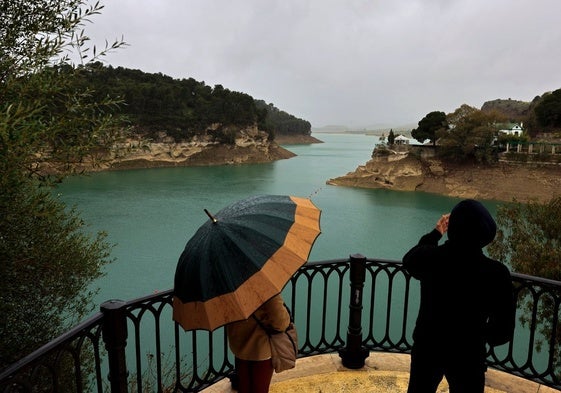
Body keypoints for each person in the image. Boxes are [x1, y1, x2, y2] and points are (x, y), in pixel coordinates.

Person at [402, 199, 515, 393]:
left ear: (452, 229)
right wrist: (479, 333)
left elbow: (411, 259)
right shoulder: (497, 274)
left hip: (428, 347)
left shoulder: (433, 258)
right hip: (469, 354)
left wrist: (436, 232)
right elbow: (502, 331)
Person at [226, 293, 290, 393]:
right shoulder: (262, 287)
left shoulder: (228, 287)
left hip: (239, 347)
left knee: (244, 389)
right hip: (261, 349)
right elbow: (281, 322)